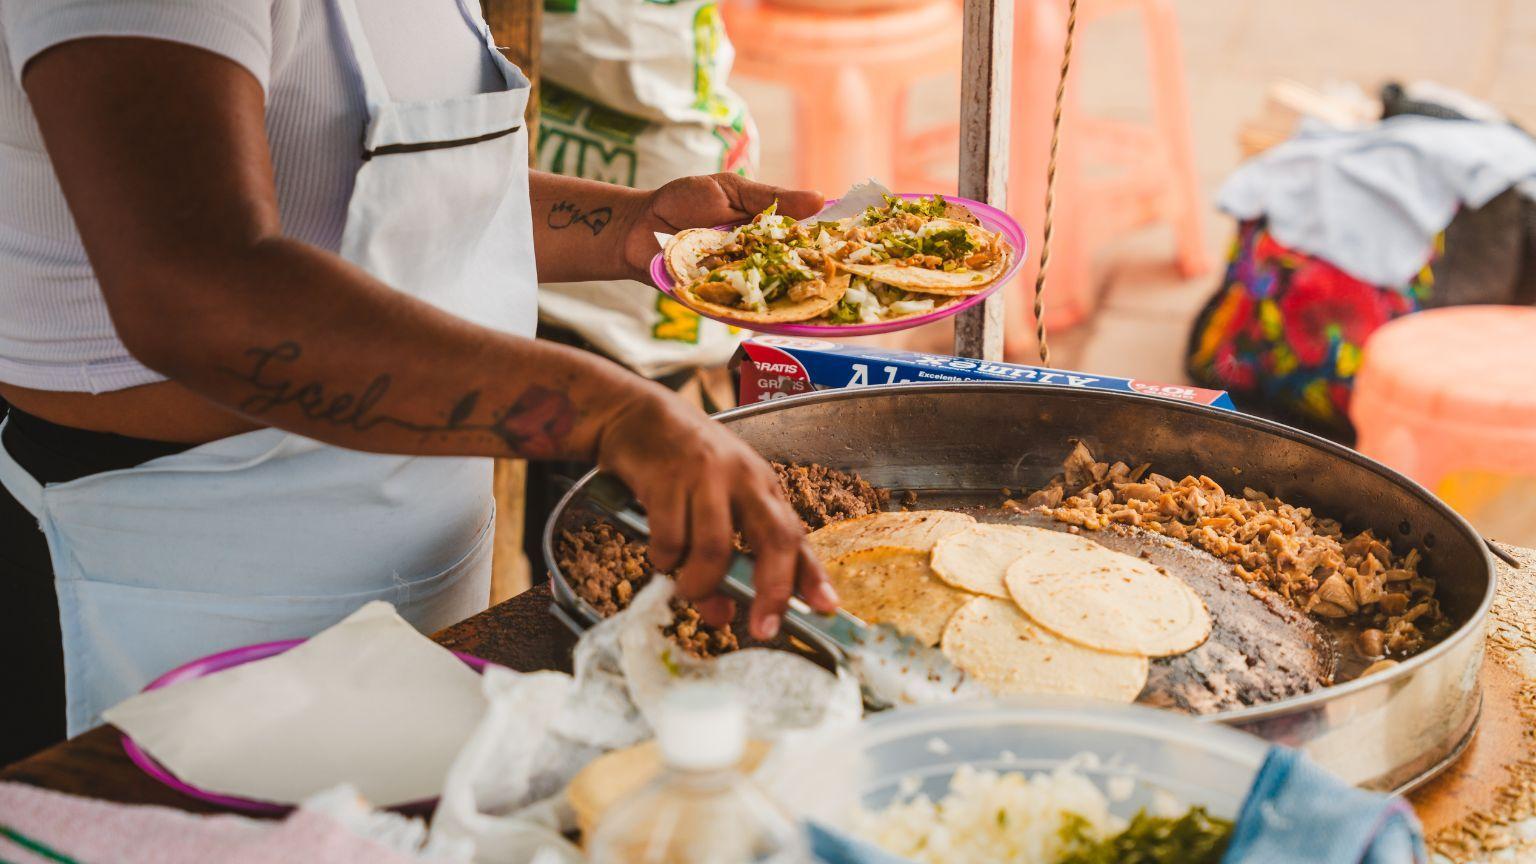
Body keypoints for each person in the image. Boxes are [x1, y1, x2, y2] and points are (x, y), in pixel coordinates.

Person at [0, 0, 836, 765]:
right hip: (179, 586)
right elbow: (195, 288)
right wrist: (611, 410)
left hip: (416, 567)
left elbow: (360, 194)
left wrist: (628, 227)